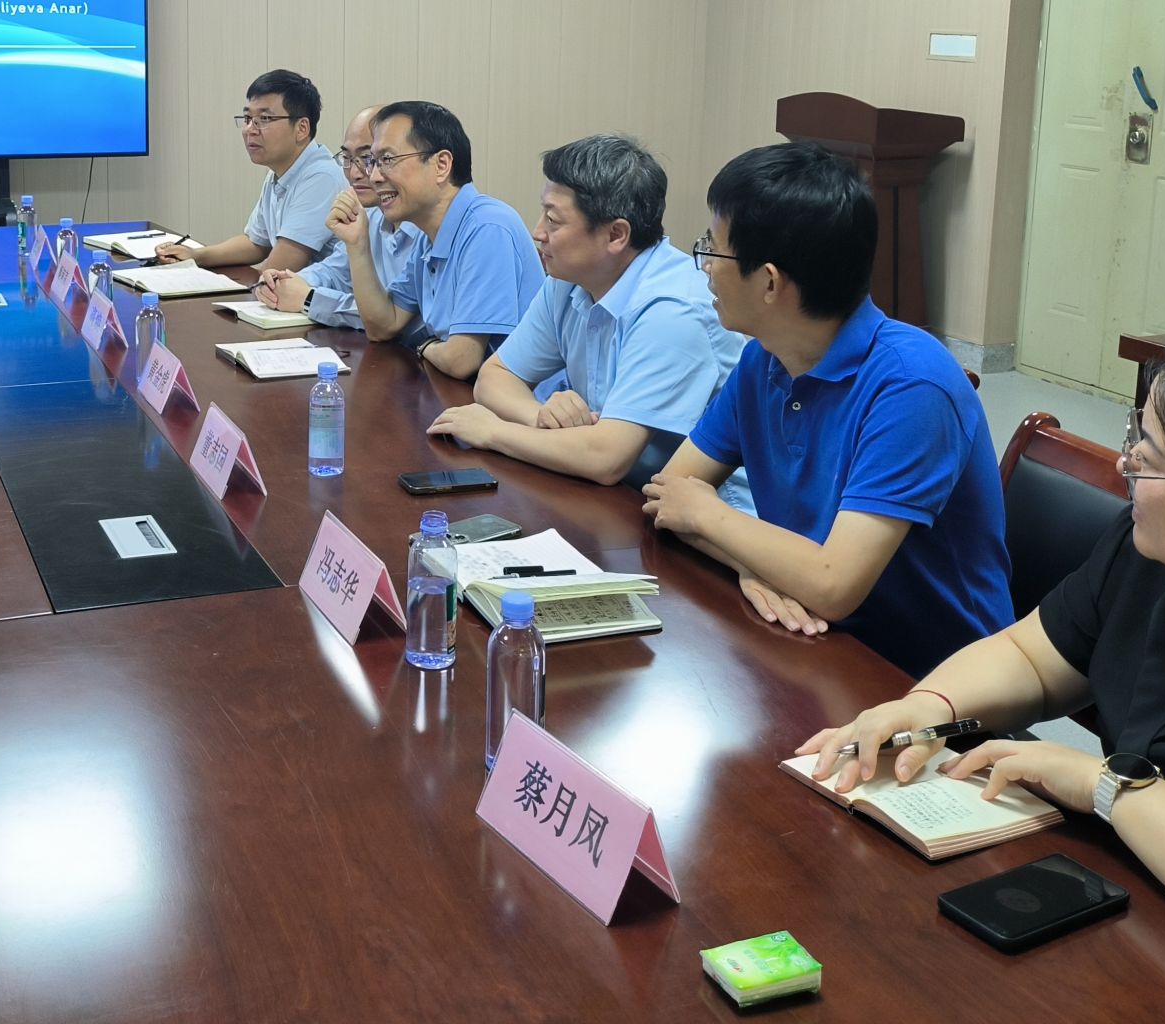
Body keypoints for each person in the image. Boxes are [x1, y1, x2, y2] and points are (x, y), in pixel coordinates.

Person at [799, 321, 1165, 995]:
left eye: (1150, 457)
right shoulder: (1162, 557)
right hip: (1126, 926)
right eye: (1134, 435)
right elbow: (1033, 655)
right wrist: (927, 707)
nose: (1124, 466)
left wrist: (1108, 788)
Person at [643, 143, 1011, 676]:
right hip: (813, 642)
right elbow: (668, 495)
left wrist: (711, 515)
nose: (703, 268)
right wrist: (753, 564)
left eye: (713, 250)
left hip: (929, 678)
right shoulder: (764, 357)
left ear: (770, 282)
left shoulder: (913, 386)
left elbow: (834, 584)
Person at [427, 134, 751, 496]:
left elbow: (605, 459)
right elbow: (495, 376)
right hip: (617, 490)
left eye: (553, 220)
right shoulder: (568, 280)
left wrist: (493, 431)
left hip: (704, 508)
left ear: (616, 234)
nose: (537, 232)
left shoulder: (673, 310)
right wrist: (541, 417)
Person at [324, 100, 541, 382]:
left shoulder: (487, 227)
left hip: (520, 402)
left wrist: (424, 345)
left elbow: (461, 359)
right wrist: (357, 245)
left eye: (387, 160)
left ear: (441, 165)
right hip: (462, 392)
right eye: (373, 162)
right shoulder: (430, 236)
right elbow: (383, 325)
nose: (373, 176)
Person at [155, 69, 347, 271]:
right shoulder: (279, 171)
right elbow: (256, 242)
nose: (249, 130)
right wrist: (195, 256)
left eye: (264, 119)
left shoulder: (322, 177)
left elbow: (278, 269)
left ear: (302, 128)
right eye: (247, 118)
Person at [254, 104, 417, 328]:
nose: (355, 173)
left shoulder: (425, 227)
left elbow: (389, 317)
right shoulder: (370, 214)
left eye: (368, 158)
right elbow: (335, 270)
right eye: (347, 158)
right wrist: (285, 282)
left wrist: (309, 299)